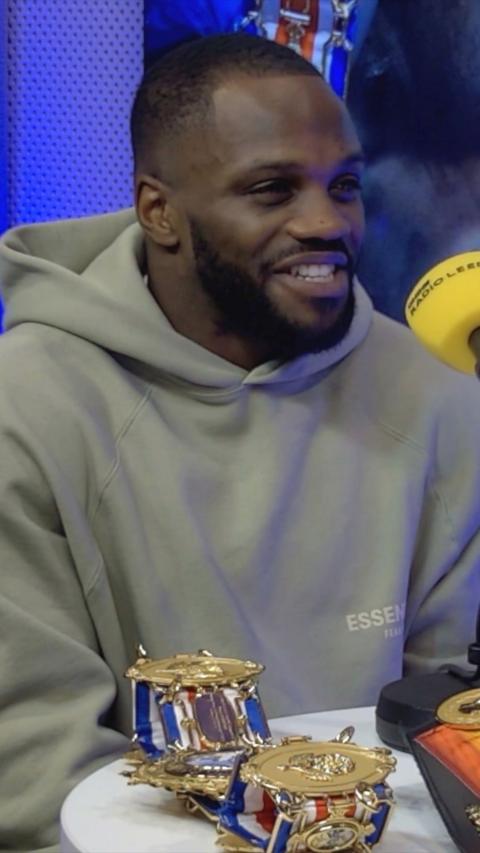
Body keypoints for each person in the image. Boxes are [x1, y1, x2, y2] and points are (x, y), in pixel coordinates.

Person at [0, 33, 479, 853]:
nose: (326, 222)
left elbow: (445, 741)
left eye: (345, 186)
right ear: (159, 211)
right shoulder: (28, 407)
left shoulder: (439, 400)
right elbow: (36, 771)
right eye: (272, 190)